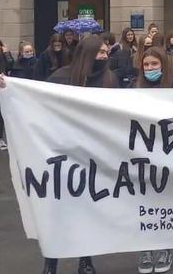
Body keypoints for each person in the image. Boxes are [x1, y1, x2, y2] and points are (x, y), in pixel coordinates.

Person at [40, 35, 115, 274]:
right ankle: (51, 262)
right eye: (100, 52)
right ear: (88, 54)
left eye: (106, 52)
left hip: (93, 154)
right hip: (63, 153)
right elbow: (37, 102)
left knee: (87, 209)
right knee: (59, 210)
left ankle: (86, 259)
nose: (104, 56)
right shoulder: (61, 77)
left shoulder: (109, 80)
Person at [134, 46, 173, 274]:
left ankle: (165, 248)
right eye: (146, 65)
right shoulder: (134, 89)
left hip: (168, 156)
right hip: (142, 156)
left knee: (165, 204)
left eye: (154, 64)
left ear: (163, 66)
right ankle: (146, 249)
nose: (150, 68)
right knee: (145, 203)